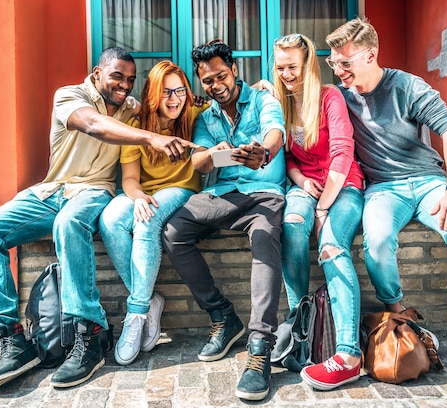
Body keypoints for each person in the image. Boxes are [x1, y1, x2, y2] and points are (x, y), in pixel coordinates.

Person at [0, 47, 196, 390]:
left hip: (94, 192)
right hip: (50, 191)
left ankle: (90, 333)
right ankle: (10, 339)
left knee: (69, 223)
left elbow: (178, 102)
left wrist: (254, 89)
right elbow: (92, 123)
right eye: (117, 76)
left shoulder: (132, 108)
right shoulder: (70, 96)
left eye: (131, 80)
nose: (125, 86)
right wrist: (152, 137)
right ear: (96, 72)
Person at [324, 18, 447, 399]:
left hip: (429, 182)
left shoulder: (407, 86)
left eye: (345, 63)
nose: (338, 71)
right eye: (333, 64)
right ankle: (401, 314)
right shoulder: (340, 96)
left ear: (371, 54)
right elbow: (302, 95)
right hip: (383, 189)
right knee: (378, 242)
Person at [161, 40, 286, 401]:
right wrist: (211, 154)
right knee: (173, 230)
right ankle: (222, 315)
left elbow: (274, 132)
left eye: (220, 76)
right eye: (207, 80)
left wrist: (263, 153)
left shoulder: (263, 99)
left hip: (263, 194)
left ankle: (260, 345)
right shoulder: (205, 117)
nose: (216, 85)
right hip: (220, 196)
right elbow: (198, 162)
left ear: (233, 70)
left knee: (265, 236)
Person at [269, 33, 365, 391]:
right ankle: (300, 320)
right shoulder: (283, 102)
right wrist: (299, 181)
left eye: (292, 67)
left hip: (344, 187)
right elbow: (290, 157)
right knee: (292, 224)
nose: (286, 74)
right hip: (305, 187)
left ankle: (348, 355)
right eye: (280, 68)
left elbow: (342, 153)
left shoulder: (330, 97)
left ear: (307, 65)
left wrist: (324, 208)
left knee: (331, 247)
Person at [99, 60, 207, 366]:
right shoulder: (135, 129)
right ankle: (149, 299)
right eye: (166, 92)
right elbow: (130, 180)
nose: (174, 99)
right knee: (110, 220)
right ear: (152, 95)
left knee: (146, 222)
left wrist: (261, 87)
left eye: (180, 91)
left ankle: (135, 315)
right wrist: (137, 197)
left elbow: (227, 96)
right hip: (144, 190)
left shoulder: (194, 112)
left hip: (181, 189)